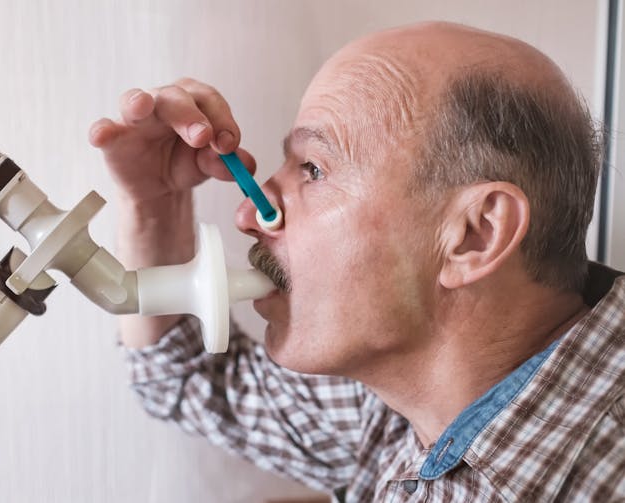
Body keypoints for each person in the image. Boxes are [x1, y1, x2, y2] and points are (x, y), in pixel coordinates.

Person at [89, 21, 625, 502]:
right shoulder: (395, 397)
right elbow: (187, 379)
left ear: (475, 234)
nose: (250, 214)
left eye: (314, 170)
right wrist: (155, 204)